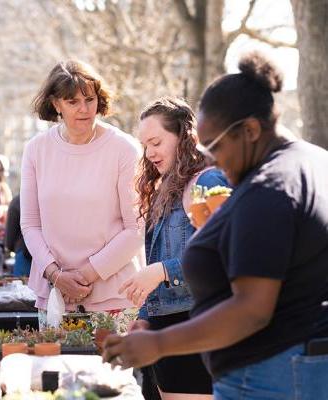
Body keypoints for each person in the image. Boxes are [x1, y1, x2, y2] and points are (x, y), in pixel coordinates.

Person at [103, 51, 328, 400]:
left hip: (271, 373)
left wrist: (159, 344)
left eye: (215, 147)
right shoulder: (317, 161)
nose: (210, 160)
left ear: (250, 130)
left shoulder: (269, 189)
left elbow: (251, 309)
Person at [22, 60, 144, 329]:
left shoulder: (125, 149)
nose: (84, 109)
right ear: (56, 104)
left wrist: (85, 275)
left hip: (115, 294)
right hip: (55, 294)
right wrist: (56, 275)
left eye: (89, 99)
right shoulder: (36, 149)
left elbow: (136, 228)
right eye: (72, 101)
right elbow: (30, 224)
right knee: (52, 370)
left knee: (114, 371)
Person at [119, 97, 228, 400]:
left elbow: (227, 253)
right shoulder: (165, 189)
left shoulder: (209, 181)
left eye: (156, 142)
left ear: (184, 136)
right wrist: (143, 315)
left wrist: (164, 271)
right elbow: (158, 259)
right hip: (166, 329)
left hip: (198, 327)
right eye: (145, 145)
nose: (150, 152)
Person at [5, 194, 32, 277]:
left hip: (24, 254)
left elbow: (10, 238)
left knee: (21, 286)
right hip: (49, 254)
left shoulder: (17, 202)